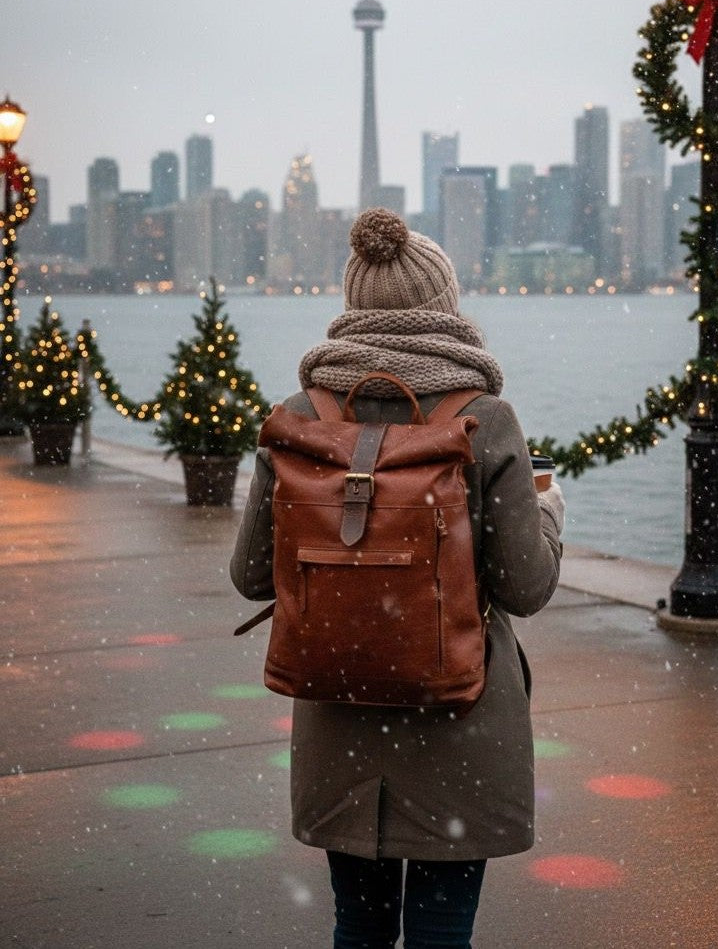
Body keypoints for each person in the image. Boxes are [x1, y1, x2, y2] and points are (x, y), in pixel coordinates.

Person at [230, 207, 564, 949]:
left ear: (353, 304)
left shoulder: (298, 416)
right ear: (444, 305)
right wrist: (550, 515)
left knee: (360, 924)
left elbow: (251, 576)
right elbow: (525, 588)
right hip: (460, 719)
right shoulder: (484, 418)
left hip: (340, 717)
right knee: (443, 929)